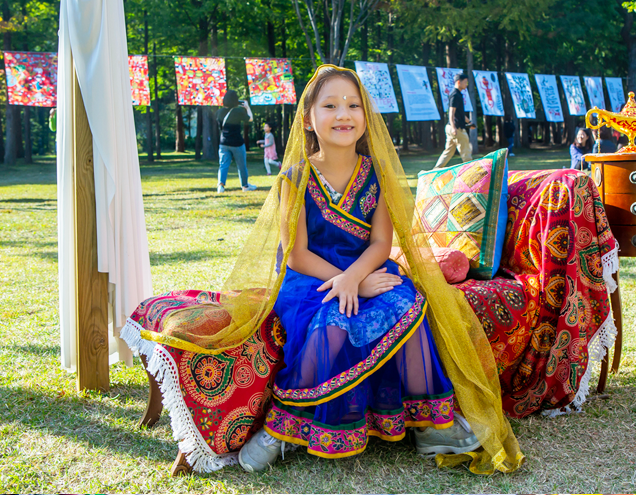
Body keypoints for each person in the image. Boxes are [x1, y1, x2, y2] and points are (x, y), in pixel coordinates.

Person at [173, 65, 520, 474]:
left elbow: (380, 243)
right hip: (310, 279)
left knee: (408, 307)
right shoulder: (294, 177)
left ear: (366, 117)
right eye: (331, 106)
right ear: (308, 119)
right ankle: (280, 428)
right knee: (334, 322)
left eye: (354, 105)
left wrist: (356, 278)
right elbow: (296, 254)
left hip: (368, 268)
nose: (344, 114)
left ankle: (431, 426)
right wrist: (345, 282)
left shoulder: (377, 173)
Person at [216, 89, 257, 193]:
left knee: (223, 165)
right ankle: (245, 186)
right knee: (241, 165)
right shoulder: (238, 111)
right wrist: (247, 107)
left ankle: (221, 186)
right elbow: (250, 119)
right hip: (237, 142)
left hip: (224, 142)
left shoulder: (219, 112)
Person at [434, 73, 472, 168]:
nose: (466, 84)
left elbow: (460, 114)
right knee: (466, 151)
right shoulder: (455, 95)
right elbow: (451, 112)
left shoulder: (458, 94)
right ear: (459, 82)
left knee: (448, 152)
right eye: (465, 82)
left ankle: (434, 171)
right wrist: (454, 127)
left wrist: (469, 122)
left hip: (451, 127)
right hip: (456, 128)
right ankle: (472, 172)